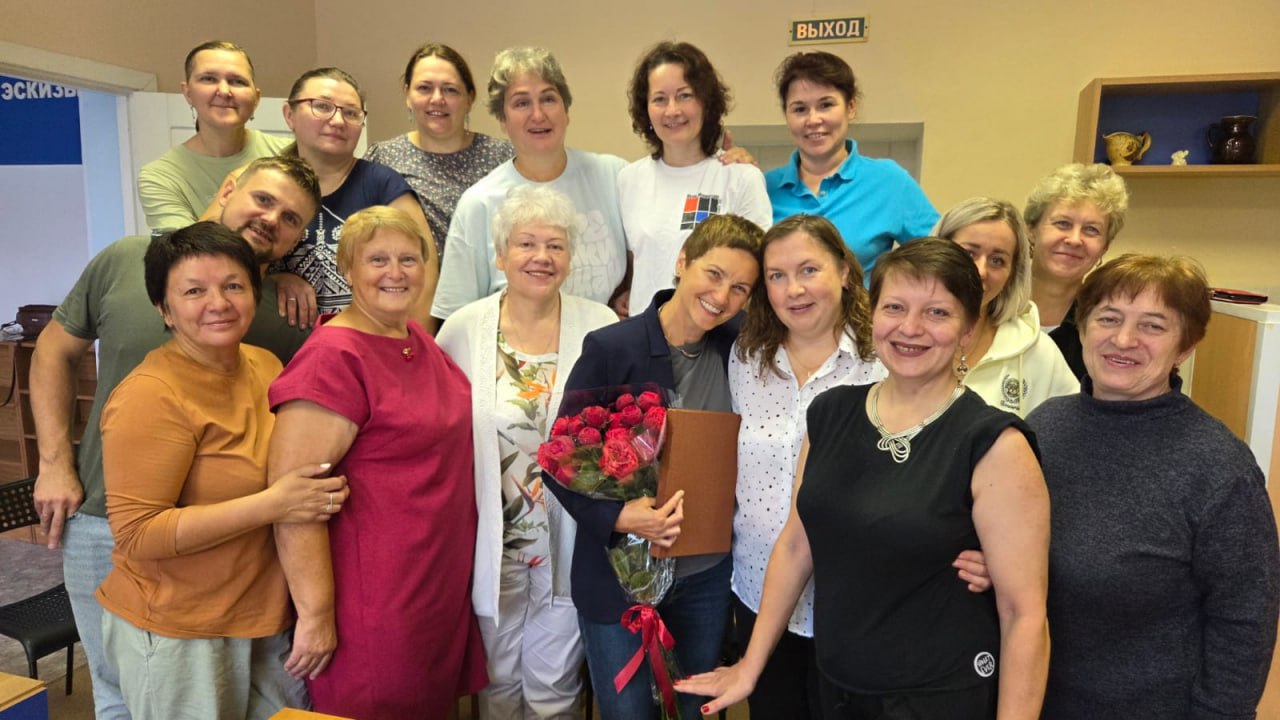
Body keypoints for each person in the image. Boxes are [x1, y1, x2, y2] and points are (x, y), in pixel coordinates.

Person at [680, 239, 1049, 719]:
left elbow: (1024, 616)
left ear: (968, 330)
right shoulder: (831, 413)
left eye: (937, 313)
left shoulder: (995, 443)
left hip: (935, 695)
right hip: (837, 685)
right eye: (894, 307)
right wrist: (751, 664)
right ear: (873, 315)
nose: (910, 328)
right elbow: (796, 543)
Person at [29, 154, 320, 720]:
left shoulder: (272, 326)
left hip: (232, 567)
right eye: (263, 199)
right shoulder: (126, 262)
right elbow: (52, 352)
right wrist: (54, 462)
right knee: (122, 691)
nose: (271, 219)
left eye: (291, 218)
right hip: (102, 518)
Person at [96, 223, 347, 720]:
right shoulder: (151, 394)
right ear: (163, 309)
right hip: (180, 630)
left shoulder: (264, 364)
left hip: (263, 615)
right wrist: (273, 504)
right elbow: (139, 533)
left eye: (233, 285)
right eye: (194, 291)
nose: (219, 303)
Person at [1026, 254, 1280, 718]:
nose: (1124, 339)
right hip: (1035, 699)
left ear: (1185, 347)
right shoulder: (1045, 427)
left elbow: (1245, 621)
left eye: (1153, 326)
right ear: (1082, 327)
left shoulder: (1218, 466)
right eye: (1109, 318)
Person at [268, 206, 487, 718]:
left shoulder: (416, 340)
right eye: (378, 260)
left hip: (434, 586)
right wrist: (316, 615)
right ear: (347, 269)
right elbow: (293, 502)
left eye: (409, 259)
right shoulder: (333, 358)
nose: (396, 272)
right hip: (373, 601)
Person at [544, 213, 764, 720]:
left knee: (694, 709)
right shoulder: (611, 347)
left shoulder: (742, 349)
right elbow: (558, 458)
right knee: (628, 711)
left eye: (740, 288)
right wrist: (618, 516)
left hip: (706, 576)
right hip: (620, 577)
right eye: (713, 274)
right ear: (682, 262)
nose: (722, 297)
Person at [436, 185, 617, 718]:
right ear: (500, 255)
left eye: (556, 245)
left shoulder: (601, 326)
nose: (542, 257)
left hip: (570, 539)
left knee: (554, 686)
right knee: (494, 683)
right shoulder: (463, 329)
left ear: (570, 257)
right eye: (526, 243)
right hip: (491, 540)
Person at [431, 47, 628, 321]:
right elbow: (455, 318)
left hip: (603, 343)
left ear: (566, 110)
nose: (537, 114)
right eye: (521, 103)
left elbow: (650, 250)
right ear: (503, 120)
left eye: (548, 99)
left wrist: (630, 291)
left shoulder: (613, 176)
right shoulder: (479, 204)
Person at [272, 67, 438, 330]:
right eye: (322, 106)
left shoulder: (382, 185)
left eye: (351, 113)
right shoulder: (264, 185)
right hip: (274, 349)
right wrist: (272, 280)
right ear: (289, 114)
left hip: (368, 347)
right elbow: (225, 262)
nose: (338, 121)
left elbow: (422, 274)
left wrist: (412, 346)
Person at [619, 41, 771, 316]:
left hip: (719, 333)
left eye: (685, 95)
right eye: (659, 99)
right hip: (645, 332)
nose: (672, 110)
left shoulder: (740, 177)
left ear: (706, 102)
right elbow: (634, 264)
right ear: (646, 109)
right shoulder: (629, 179)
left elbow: (757, 273)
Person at [765, 51, 938, 275]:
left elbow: (943, 260)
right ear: (786, 116)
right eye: (800, 109)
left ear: (851, 107)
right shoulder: (764, 187)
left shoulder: (889, 181)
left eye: (826, 105)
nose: (813, 119)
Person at [365, 43, 515, 258]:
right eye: (424, 88)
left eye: (450, 90)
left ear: (469, 98)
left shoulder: (503, 157)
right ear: (407, 95)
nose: (437, 99)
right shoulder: (382, 159)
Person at [935, 198, 1077, 416]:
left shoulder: (1037, 351)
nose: (981, 271)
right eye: (969, 253)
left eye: (997, 260)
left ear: (1012, 275)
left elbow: (1073, 426)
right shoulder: (900, 334)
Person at [137, 40, 291, 230]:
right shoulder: (160, 177)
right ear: (188, 93)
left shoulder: (289, 152)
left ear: (256, 98)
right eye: (209, 79)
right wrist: (236, 180)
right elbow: (184, 248)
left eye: (237, 81)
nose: (224, 91)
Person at [1024, 162, 1129, 379]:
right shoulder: (991, 305)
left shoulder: (1109, 328)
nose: (1074, 240)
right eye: (1063, 223)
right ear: (1031, 230)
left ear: (1105, 246)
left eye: (1091, 230)